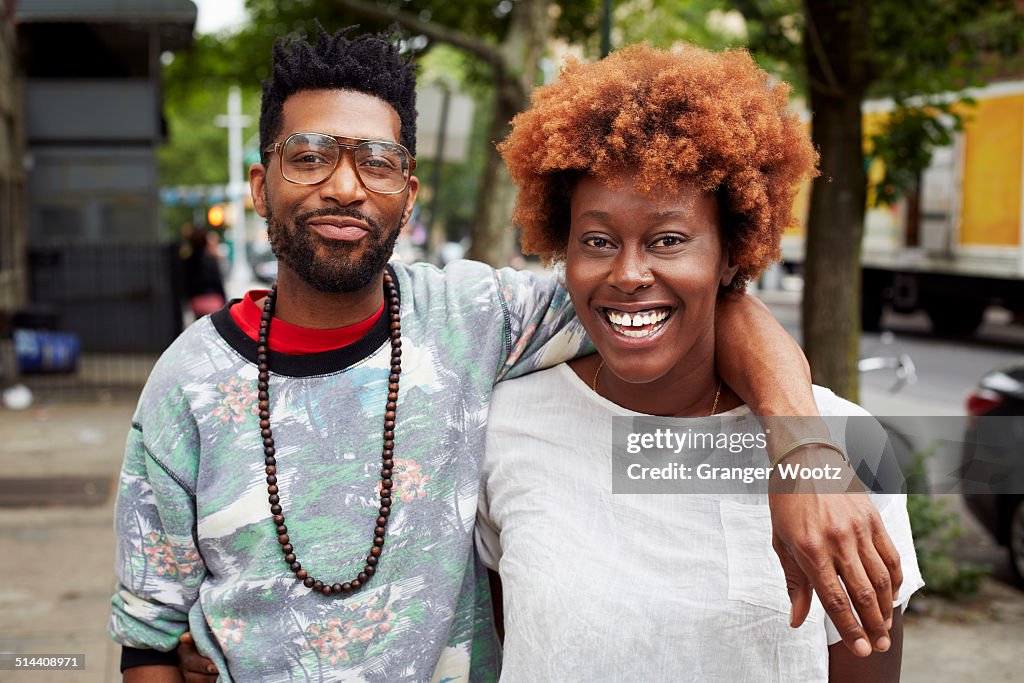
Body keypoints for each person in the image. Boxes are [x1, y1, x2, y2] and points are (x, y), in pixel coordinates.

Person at [116, 26, 900, 682]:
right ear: (260, 184)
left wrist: (806, 450)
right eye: (310, 156)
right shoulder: (186, 387)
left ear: (410, 191)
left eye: (377, 161)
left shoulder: (475, 320)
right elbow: (147, 642)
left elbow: (696, 304)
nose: (346, 187)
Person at [475, 43, 923, 681]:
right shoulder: (509, 425)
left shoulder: (847, 443)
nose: (629, 274)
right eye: (597, 240)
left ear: (732, 254)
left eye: (668, 239)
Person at [182, 227, 228, 319]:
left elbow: (186, 282)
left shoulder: (187, 261)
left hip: (197, 301)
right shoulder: (211, 259)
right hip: (214, 300)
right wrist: (224, 299)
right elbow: (217, 281)